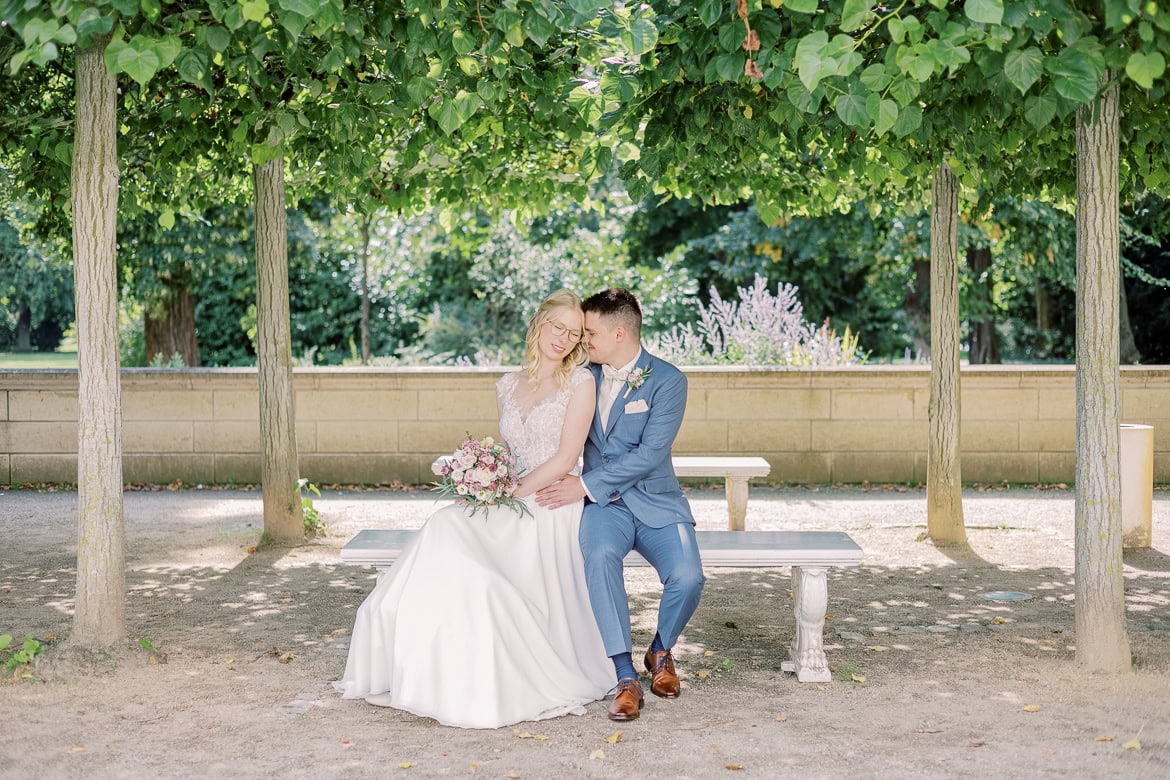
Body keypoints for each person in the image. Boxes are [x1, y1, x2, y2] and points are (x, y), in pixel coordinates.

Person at [334, 289, 612, 729]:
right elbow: (506, 448)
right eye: (556, 326)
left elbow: (564, 458)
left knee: (482, 579)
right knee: (446, 522)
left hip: (546, 502)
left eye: (573, 333)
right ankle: (420, 654)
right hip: (508, 496)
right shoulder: (506, 384)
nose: (562, 338)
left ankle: (489, 652)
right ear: (539, 323)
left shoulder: (580, 383)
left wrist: (511, 491)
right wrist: (484, 480)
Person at [536, 288, 704, 722]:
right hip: (605, 509)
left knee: (689, 577)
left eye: (589, 333)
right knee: (600, 556)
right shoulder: (582, 375)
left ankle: (661, 651)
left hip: (657, 503)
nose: (582, 340)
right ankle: (625, 675)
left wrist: (584, 484)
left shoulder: (669, 381)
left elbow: (650, 454)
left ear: (619, 332)